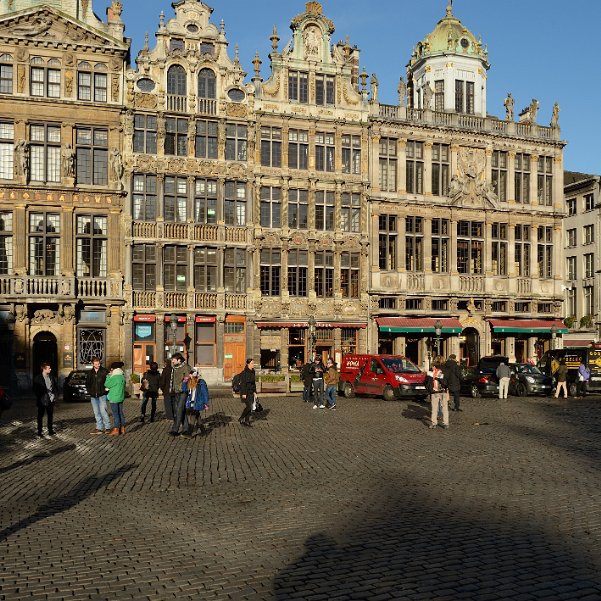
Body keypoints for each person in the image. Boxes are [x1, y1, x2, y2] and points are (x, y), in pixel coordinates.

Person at [168, 353, 192, 436]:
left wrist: (187, 379)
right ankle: (186, 428)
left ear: (179, 360)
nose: (172, 361)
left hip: (183, 391)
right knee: (182, 410)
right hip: (176, 391)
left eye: (173, 359)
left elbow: (192, 375)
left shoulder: (186, 367)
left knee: (179, 410)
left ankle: (175, 429)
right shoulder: (174, 368)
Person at [85, 356, 111, 434]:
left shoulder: (104, 371)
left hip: (102, 395)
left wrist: (105, 391)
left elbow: (109, 381)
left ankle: (107, 427)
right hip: (93, 396)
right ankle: (99, 428)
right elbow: (87, 383)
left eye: (98, 363)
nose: (98, 365)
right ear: (93, 364)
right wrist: (90, 391)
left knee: (103, 411)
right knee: (96, 412)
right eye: (96, 364)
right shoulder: (90, 373)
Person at [181, 369, 210, 438]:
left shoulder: (201, 382)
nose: (189, 376)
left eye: (190, 374)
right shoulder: (189, 381)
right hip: (190, 402)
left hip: (198, 402)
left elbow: (205, 393)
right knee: (197, 417)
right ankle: (203, 431)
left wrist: (206, 403)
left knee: (193, 417)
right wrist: (184, 382)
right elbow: (184, 390)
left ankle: (189, 433)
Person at [32, 362, 58, 437]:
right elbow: (35, 389)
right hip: (42, 400)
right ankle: (39, 431)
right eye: (49, 368)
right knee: (40, 416)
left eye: (50, 368)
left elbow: (55, 387)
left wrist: (55, 396)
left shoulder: (51, 377)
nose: (50, 369)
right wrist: (40, 396)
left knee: (50, 416)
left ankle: (50, 430)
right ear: (44, 369)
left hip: (50, 399)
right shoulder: (38, 378)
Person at [105, 361, 126, 436]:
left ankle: (116, 429)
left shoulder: (114, 377)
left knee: (115, 414)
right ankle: (122, 428)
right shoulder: (122, 376)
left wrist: (108, 376)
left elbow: (107, 384)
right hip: (121, 397)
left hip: (114, 397)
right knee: (120, 412)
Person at [428, 357, 449, 429]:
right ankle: (446, 423)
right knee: (445, 408)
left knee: (434, 408)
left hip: (434, 391)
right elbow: (447, 380)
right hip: (443, 391)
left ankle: (434, 423)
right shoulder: (446, 369)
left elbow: (427, 380)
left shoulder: (431, 370)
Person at [238, 358, 257, 427]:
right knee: (249, 406)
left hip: (251, 392)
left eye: (253, 363)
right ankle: (241, 417)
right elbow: (243, 384)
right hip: (245, 392)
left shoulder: (253, 372)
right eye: (252, 363)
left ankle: (247, 421)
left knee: (250, 407)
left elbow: (253, 383)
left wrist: (255, 392)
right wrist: (243, 394)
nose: (253, 365)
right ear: (248, 364)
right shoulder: (244, 373)